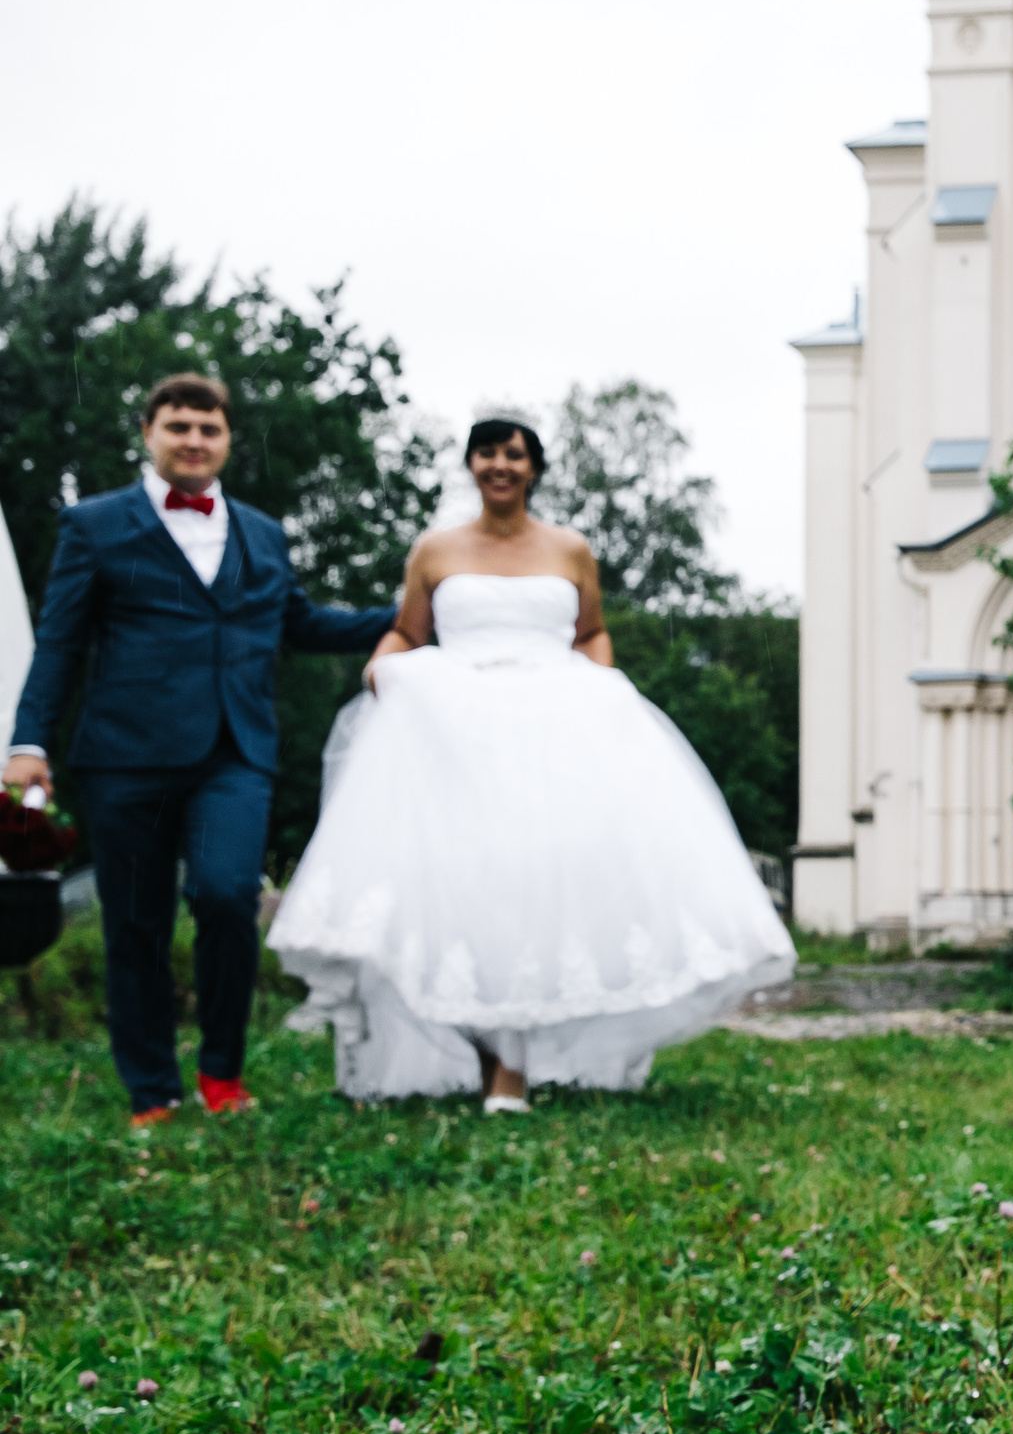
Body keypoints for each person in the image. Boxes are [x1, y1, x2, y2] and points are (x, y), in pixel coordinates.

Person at [265, 417, 793, 1112]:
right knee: (467, 888)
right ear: (472, 465)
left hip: (554, 736)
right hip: (456, 736)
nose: (500, 464)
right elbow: (407, 628)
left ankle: (535, 1057)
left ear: (534, 467)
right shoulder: (436, 548)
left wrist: (600, 691)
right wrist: (384, 664)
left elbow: (592, 633)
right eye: (487, 452)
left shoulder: (570, 548)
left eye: (513, 453)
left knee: (546, 888)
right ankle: (498, 1069)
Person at [5, 374, 397, 1127]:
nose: (193, 440)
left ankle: (223, 1072)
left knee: (225, 895)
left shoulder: (263, 532)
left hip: (234, 752)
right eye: (178, 425)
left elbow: (302, 624)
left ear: (226, 440)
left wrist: (419, 611)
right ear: (149, 433)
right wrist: (28, 742)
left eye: (208, 428)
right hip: (124, 755)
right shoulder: (94, 525)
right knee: (136, 924)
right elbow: (59, 643)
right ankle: (152, 1089)